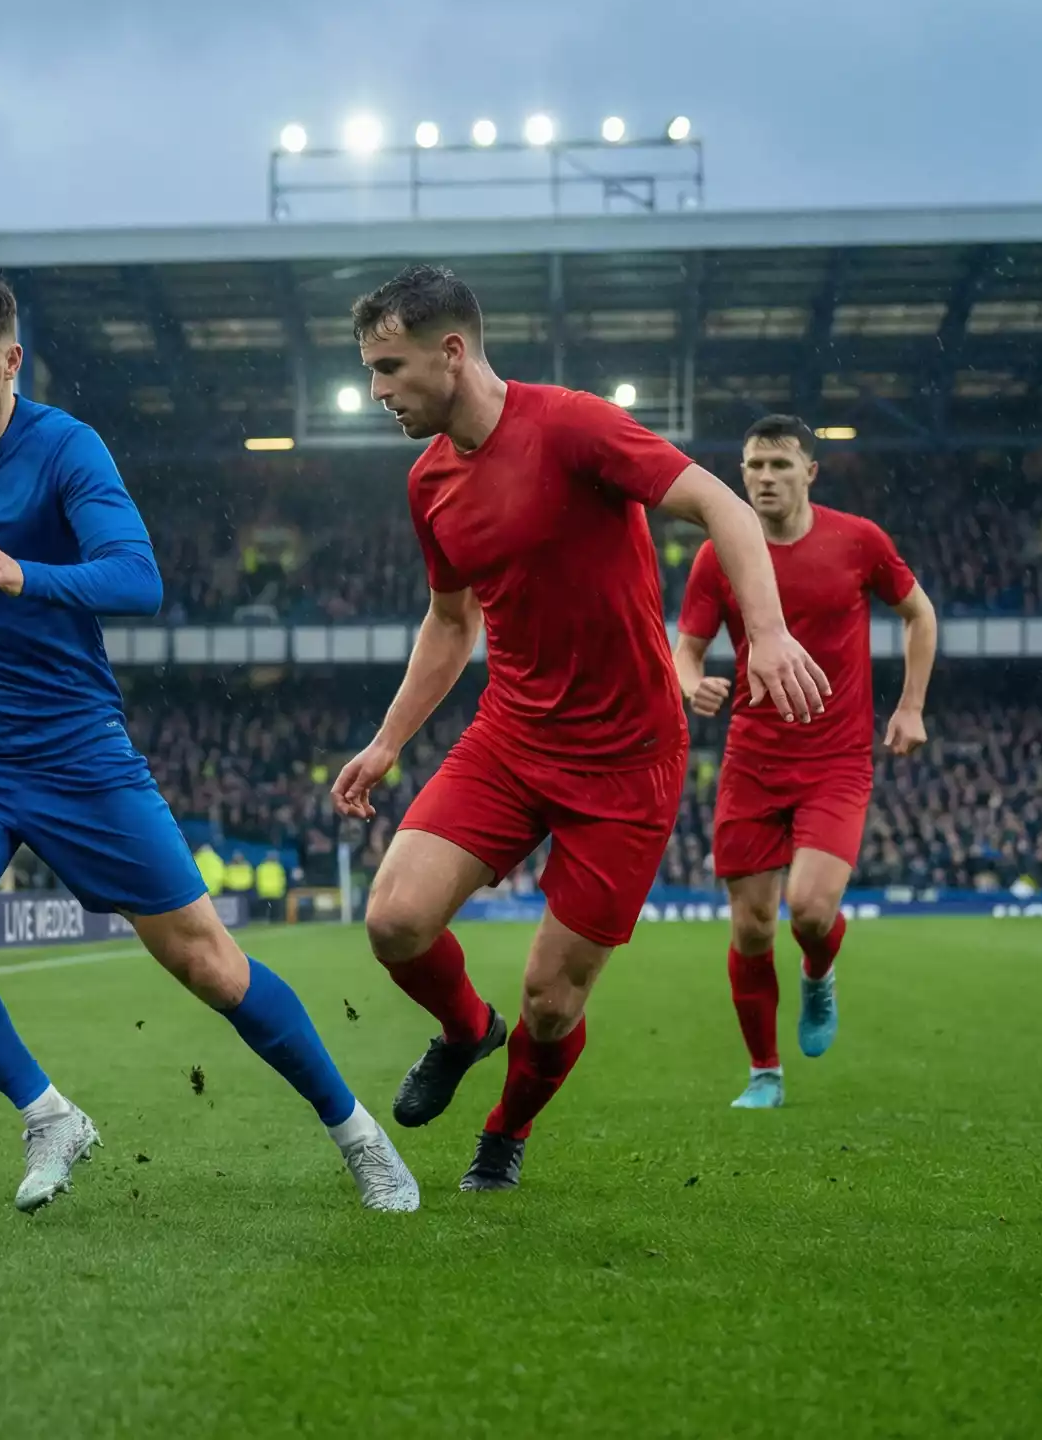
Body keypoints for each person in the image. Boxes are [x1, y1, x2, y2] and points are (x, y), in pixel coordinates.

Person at [0, 267, 416, 1214]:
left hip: (77, 754)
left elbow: (137, 579)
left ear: (11, 362)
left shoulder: (65, 449)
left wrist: (27, 574)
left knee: (210, 965)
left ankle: (360, 1136)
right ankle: (49, 1114)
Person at [328, 264, 829, 1193]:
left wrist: (765, 633)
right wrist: (390, 739)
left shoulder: (574, 425)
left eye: (389, 368)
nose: (377, 392)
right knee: (395, 921)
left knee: (552, 1004)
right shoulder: (428, 480)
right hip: (511, 738)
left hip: (629, 761)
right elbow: (450, 621)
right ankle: (466, 1030)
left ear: (453, 351)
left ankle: (505, 1131)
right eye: (369, 370)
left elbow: (722, 504)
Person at [672, 413, 937, 1108]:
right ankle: (765, 1072)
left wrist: (910, 706)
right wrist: (688, 683)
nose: (763, 477)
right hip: (752, 760)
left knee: (811, 912)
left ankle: (820, 974)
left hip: (836, 758)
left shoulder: (859, 541)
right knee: (752, 926)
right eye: (754, 465)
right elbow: (686, 647)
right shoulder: (718, 554)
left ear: (810, 472)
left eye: (779, 465)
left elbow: (920, 615)